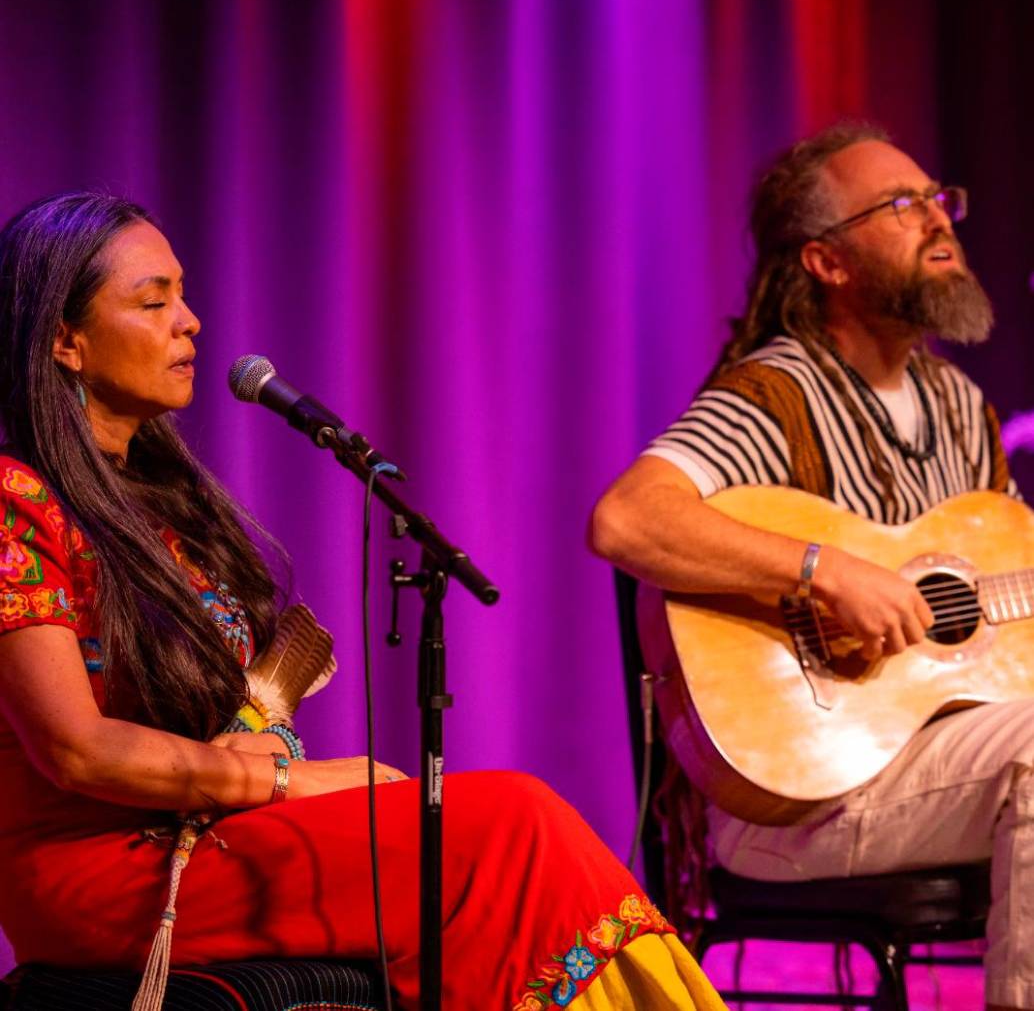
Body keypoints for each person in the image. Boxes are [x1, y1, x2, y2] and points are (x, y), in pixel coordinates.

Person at [0, 191, 726, 1011]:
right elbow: (76, 751)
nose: (191, 322)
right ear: (64, 340)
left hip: (196, 832)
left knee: (495, 835)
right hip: (100, 873)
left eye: (184, 295)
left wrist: (264, 744)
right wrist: (287, 783)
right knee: (511, 826)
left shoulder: (157, 506)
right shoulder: (16, 501)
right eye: (153, 301)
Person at [590, 121, 1032, 1011]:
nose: (938, 219)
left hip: (944, 764)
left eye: (938, 199)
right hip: (798, 797)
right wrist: (825, 570)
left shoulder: (959, 404)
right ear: (827, 262)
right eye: (902, 205)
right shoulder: (773, 393)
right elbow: (626, 519)